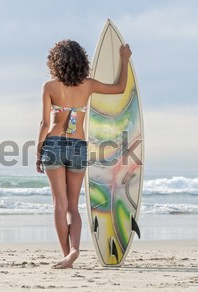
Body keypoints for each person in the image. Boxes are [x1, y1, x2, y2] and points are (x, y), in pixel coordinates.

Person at [36, 39, 132, 269]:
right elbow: (119, 87)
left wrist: (39, 151)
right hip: (78, 146)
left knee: (59, 204)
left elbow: (44, 123)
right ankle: (75, 249)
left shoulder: (49, 87)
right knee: (72, 207)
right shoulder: (87, 85)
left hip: (54, 144)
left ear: (55, 62)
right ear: (81, 61)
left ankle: (66, 255)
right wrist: (124, 59)